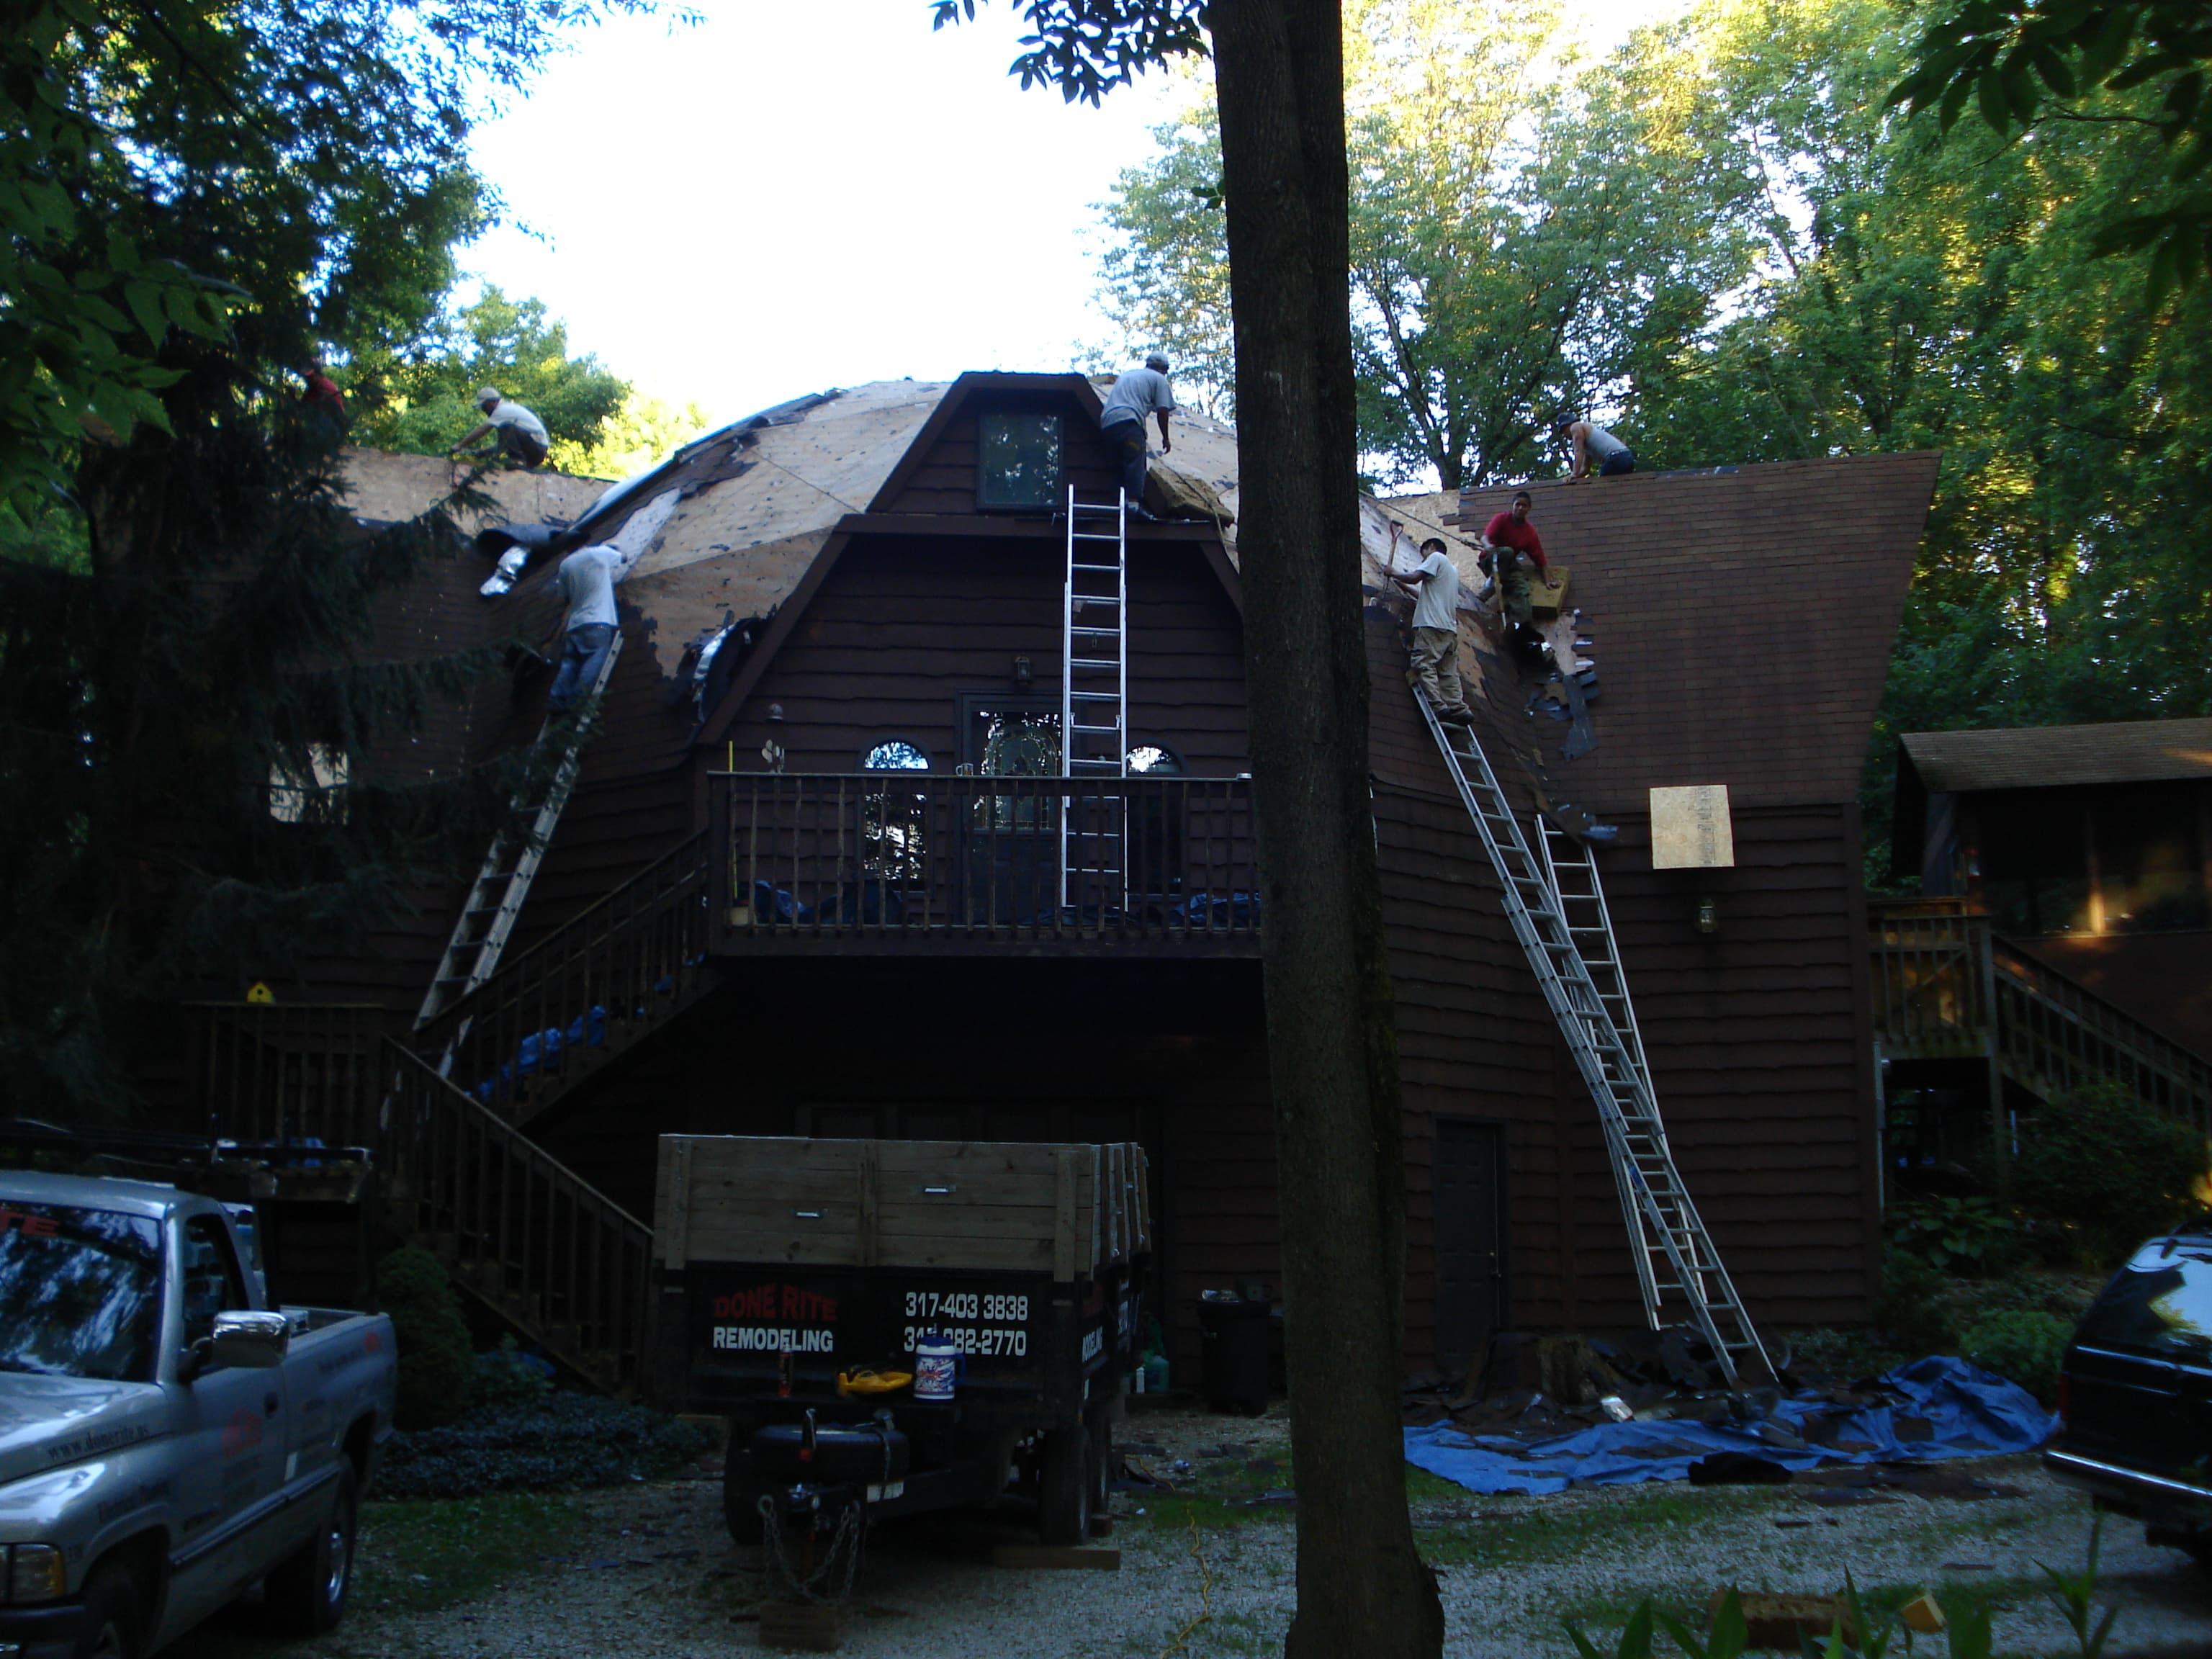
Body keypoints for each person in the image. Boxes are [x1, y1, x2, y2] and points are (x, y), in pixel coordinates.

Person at [1388, 536, 1473, 724]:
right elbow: (1423, 595)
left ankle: (1438, 706)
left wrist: (1393, 572)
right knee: (1447, 671)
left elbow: (1415, 577)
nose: (1423, 560)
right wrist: (1401, 584)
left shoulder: (1436, 557)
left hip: (1431, 626)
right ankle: (1459, 709)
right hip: (1448, 629)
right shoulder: (1451, 571)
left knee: (1423, 663)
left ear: (1432, 547)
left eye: (1423, 555)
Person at [546, 543, 623, 714]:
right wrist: (613, 548)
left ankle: (557, 698)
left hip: (574, 625)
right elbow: (623, 557)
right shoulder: (601, 553)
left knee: (570, 663)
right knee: (594, 659)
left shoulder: (565, 564)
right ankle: (577, 701)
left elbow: (564, 596)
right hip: (598, 621)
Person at [1097, 354, 1175, 521]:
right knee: (1135, 461)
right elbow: (1163, 411)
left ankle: (1115, 505)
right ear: (1163, 369)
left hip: (1108, 423)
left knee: (1117, 466)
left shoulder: (1128, 375)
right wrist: (1166, 438)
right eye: (1166, 370)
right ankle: (1133, 505)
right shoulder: (1159, 379)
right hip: (1129, 422)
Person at [1479, 490, 1548, 627]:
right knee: (1508, 552)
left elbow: (1540, 560)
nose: (1520, 508)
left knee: (1522, 590)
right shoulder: (1501, 519)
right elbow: (1484, 538)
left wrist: (1547, 581)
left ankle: (1517, 625)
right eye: (1518, 505)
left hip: (1509, 567)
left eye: (1524, 506)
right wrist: (1488, 546)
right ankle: (1492, 584)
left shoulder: (1529, 532)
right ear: (1513, 506)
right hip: (1490, 559)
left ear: (1529, 509)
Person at [451, 386, 550, 469]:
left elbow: (482, 430)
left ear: (492, 402)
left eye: (484, 406)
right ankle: (520, 464)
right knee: (505, 432)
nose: (483, 410)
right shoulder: (506, 412)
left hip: (537, 448)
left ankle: (518, 461)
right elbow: (502, 446)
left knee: (506, 427)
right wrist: (481, 453)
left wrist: (460, 445)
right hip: (535, 450)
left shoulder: (502, 411)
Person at [1564, 418, 1635, 480]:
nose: (1564, 435)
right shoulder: (1588, 446)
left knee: (1602, 486)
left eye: (1563, 432)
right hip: (1627, 457)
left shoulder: (1575, 426)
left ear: (1566, 426)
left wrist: (1574, 474)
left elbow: (1578, 451)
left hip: (1616, 457)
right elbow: (1586, 469)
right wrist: (1576, 476)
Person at [300, 359, 348, 427]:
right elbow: (303, 408)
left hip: (333, 425)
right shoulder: (312, 390)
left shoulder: (325, 386)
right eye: (307, 378)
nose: (308, 380)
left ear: (318, 374)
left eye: (311, 377)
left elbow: (337, 413)